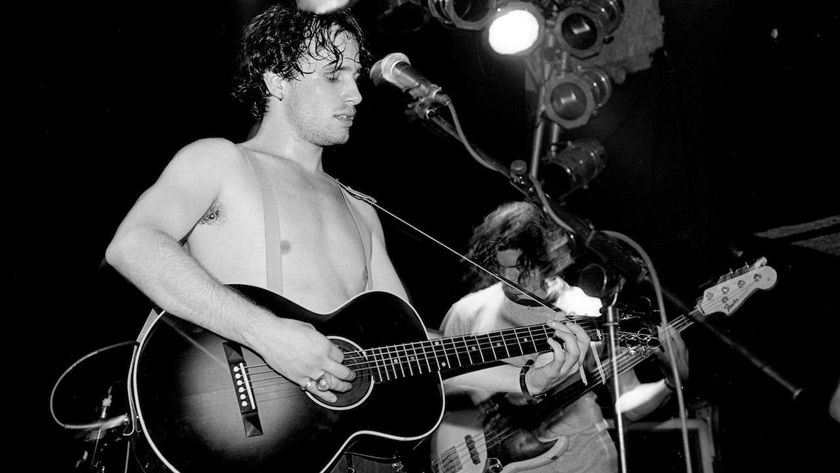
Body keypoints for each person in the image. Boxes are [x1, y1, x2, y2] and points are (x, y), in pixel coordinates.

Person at [104, 3, 591, 473]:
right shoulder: (220, 161)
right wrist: (268, 335)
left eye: (355, 77)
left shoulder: (360, 210)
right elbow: (134, 245)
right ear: (277, 81)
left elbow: (413, 346)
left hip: (353, 454)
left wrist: (522, 377)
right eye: (332, 77)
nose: (356, 95)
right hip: (247, 437)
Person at [435, 201, 689, 473]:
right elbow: (438, 394)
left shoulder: (588, 310)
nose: (511, 277)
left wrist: (672, 382)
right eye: (502, 267)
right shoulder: (466, 312)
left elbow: (628, 405)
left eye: (523, 266)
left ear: (546, 260)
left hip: (585, 464)